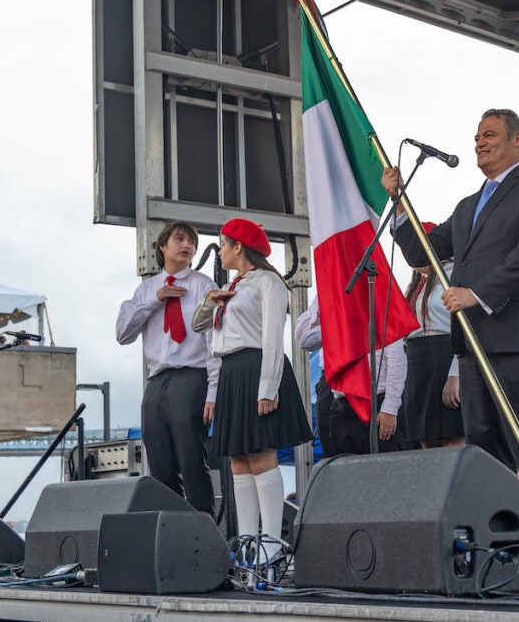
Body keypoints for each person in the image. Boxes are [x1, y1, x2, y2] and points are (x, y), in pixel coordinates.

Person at [383, 108, 519, 545]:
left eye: (490, 134)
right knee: (484, 452)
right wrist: (399, 205)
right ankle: (502, 548)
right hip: (473, 346)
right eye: (476, 136)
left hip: (517, 338)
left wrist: (478, 295)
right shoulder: (468, 206)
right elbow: (423, 255)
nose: (479, 142)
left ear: (518, 141)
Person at [192, 218, 312, 554]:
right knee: (237, 460)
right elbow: (197, 324)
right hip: (231, 371)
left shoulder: (267, 282)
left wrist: (268, 388)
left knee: (261, 455)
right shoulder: (231, 288)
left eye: (224, 245)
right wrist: (211, 299)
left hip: (257, 367)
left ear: (238, 247)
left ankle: (271, 547)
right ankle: (248, 544)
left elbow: (273, 336)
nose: (220, 253)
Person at [116, 221, 215, 514]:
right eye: (179, 239)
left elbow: (214, 344)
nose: (187, 246)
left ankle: (204, 534)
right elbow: (123, 334)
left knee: (192, 462)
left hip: (191, 378)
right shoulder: (146, 289)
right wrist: (153, 301)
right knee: (159, 464)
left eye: (192, 242)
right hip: (156, 381)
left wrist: (213, 391)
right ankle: (171, 534)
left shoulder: (202, 285)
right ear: (162, 247)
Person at [295, 295, 407, 455]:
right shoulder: (328, 291)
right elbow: (304, 341)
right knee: (336, 453)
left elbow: (397, 359)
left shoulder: (379, 301)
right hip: (337, 391)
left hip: (375, 394)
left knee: (380, 459)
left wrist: (390, 406)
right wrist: (328, 320)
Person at [403, 245, 464, 449]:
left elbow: (465, 327)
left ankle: (459, 481)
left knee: (452, 437)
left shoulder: (452, 274)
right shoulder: (416, 282)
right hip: (418, 360)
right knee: (425, 436)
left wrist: (456, 374)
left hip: (444, 354)